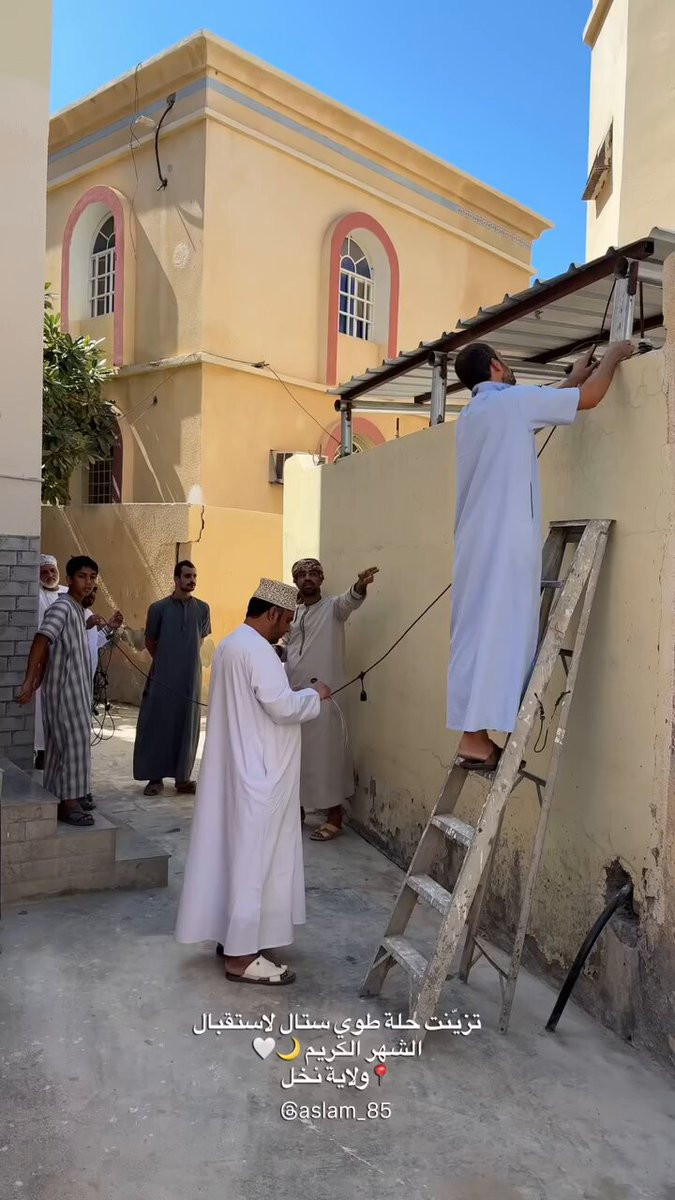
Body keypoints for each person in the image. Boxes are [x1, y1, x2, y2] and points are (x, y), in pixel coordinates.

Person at [447, 339, 635, 771]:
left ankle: (473, 735)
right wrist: (614, 355)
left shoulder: (476, 414)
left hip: (476, 543)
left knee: (476, 633)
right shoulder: (512, 404)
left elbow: (548, 404)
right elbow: (590, 399)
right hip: (503, 544)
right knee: (502, 631)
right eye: (506, 361)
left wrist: (576, 376)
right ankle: (474, 738)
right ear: (496, 365)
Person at [175, 578, 330, 985]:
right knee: (253, 862)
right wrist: (315, 695)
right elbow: (281, 706)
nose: (289, 628)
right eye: (288, 620)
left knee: (235, 858)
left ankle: (234, 938)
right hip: (259, 776)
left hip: (238, 773)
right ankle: (241, 958)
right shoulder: (258, 650)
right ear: (273, 613)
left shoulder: (231, 644)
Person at [283, 558, 378, 841]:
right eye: (302, 575)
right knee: (296, 755)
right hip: (295, 696)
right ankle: (297, 810)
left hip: (325, 697)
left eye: (313, 573)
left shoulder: (333, 608)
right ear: (295, 580)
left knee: (327, 756)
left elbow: (351, 599)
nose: (308, 578)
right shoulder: (293, 613)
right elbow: (289, 647)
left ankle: (334, 816)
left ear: (321, 579)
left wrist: (360, 585)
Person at [17, 556, 100, 825]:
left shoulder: (76, 609)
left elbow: (54, 650)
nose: (88, 582)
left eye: (92, 577)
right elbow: (42, 640)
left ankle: (60, 797)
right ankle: (70, 804)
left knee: (61, 749)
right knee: (70, 746)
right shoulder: (62, 607)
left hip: (77, 691)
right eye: (82, 576)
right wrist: (30, 681)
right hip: (65, 693)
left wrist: (39, 678)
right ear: (70, 579)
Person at [133, 561, 211, 797]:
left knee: (187, 725)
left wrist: (185, 662)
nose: (192, 580)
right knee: (158, 723)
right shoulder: (158, 608)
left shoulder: (203, 608)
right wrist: (165, 662)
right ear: (176, 579)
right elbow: (150, 640)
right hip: (163, 677)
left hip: (191, 678)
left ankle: (182, 778)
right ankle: (155, 778)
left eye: (194, 576)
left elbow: (200, 638)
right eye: (187, 576)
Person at [34, 554, 67, 770]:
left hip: (67, 662)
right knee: (41, 708)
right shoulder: (34, 594)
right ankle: (42, 751)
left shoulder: (68, 593)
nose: (49, 575)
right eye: (44, 572)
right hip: (43, 661)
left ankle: (62, 751)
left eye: (52, 571)